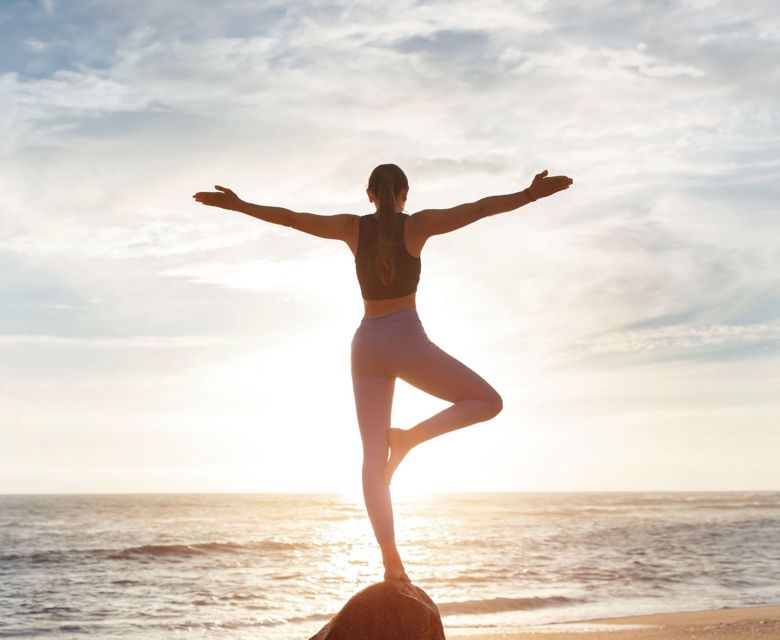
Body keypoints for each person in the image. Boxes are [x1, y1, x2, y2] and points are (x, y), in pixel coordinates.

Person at [192, 164, 573, 582]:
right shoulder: (420, 225)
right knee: (488, 402)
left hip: (367, 346)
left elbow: (289, 218)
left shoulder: (351, 228)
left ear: (369, 194)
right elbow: (479, 208)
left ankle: (392, 564)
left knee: (372, 461)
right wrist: (529, 195)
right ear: (405, 193)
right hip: (406, 340)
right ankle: (410, 437)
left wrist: (239, 205)